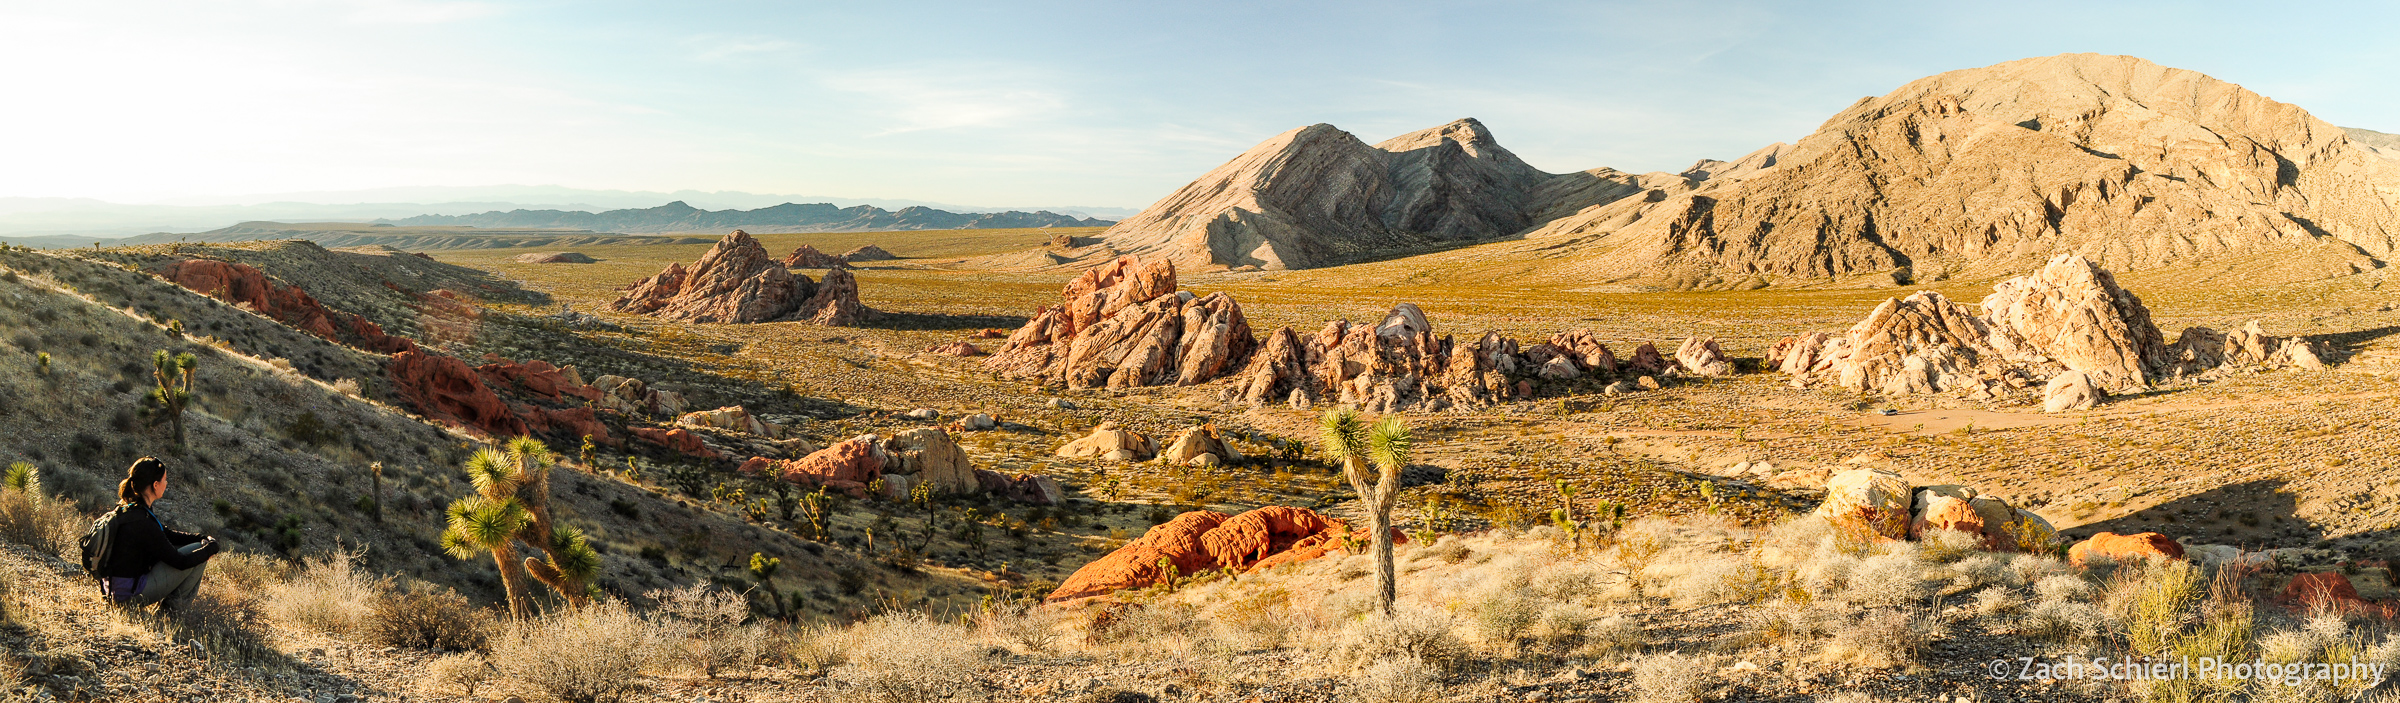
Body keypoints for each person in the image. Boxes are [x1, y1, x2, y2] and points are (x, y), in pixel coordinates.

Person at [97, 457, 219, 610]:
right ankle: (171, 613)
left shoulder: (131, 510)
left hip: (114, 590)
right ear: (155, 485)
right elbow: (180, 562)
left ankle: (170, 609)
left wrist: (202, 538)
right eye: (165, 480)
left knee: (197, 547)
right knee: (199, 556)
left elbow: (166, 533)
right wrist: (210, 549)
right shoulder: (143, 521)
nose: (166, 484)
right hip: (127, 597)